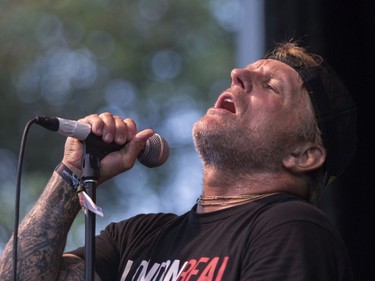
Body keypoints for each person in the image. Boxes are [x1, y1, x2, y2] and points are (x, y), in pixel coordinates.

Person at [0, 42, 357, 280]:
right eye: (246, 71)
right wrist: (72, 174)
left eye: (271, 86)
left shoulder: (290, 228)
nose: (237, 75)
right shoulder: (137, 237)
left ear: (303, 154)